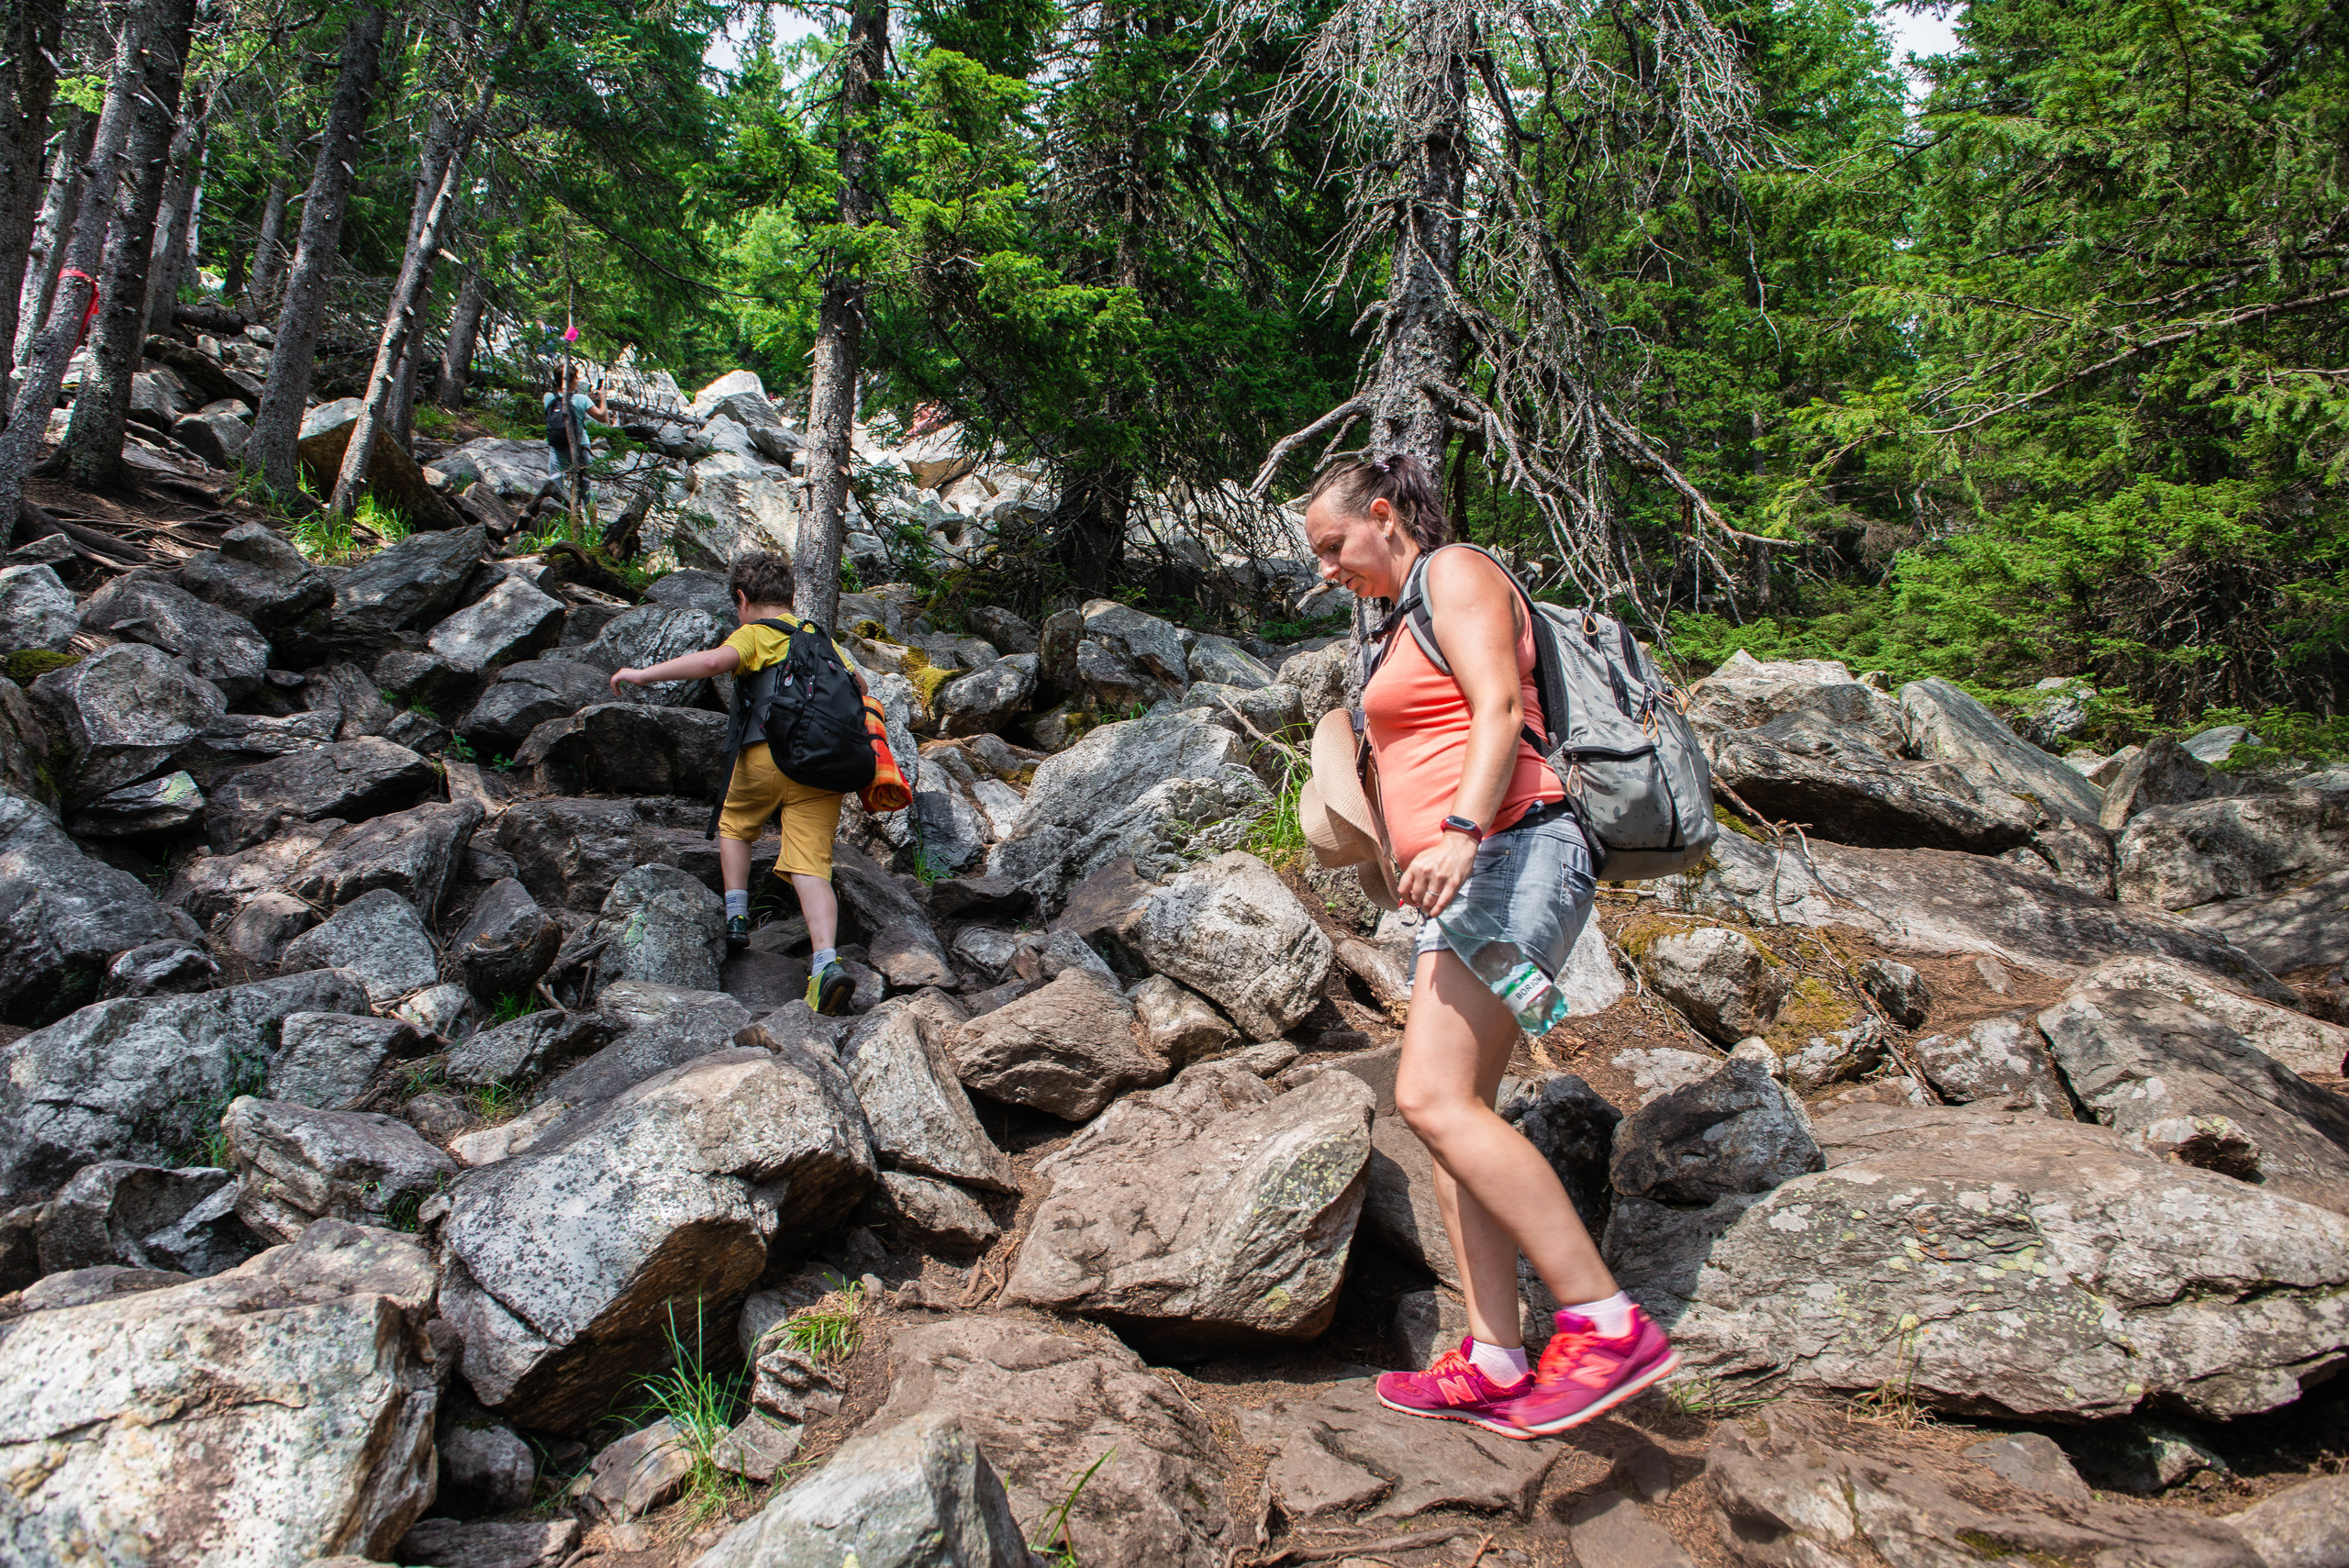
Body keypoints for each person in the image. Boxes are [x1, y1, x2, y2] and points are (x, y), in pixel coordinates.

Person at [1301, 453, 1677, 1439]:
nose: (1327, 568)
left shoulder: (1456, 570)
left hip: (1512, 850)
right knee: (1450, 1114)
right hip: (1473, 882)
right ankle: (1495, 1356)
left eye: (1333, 545)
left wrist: (1463, 832)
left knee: (1427, 1095)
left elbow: (1500, 710)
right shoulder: (1392, 621)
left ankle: (1606, 1325)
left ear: (1382, 514)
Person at [607, 552, 863, 1016]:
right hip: (823, 770)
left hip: (765, 757)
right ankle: (825, 963)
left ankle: (737, 915)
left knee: (736, 821)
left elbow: (711, 663)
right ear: (790, 597)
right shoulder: (823, 642)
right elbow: (860, 686)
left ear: (743, 599)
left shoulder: (755, 634)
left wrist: (643, 674)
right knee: (811, 864)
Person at [543, 365, 610, 481]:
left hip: (557, 444)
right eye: (576, 378)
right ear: (569, 381)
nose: (577, 381)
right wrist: (603, 397)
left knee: (556, 479)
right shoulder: (582, 399)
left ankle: (559, 498)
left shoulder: (548, 397)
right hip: (580, 444)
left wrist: (586, 398)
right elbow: (603, 417)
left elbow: (568, 399)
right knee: (583, 481)